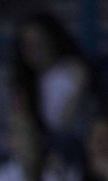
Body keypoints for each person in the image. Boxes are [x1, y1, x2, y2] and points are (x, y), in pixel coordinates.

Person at [12, 10, 94, 141]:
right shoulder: (26, 83)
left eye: (38, 43)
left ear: (51, 39)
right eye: (27, 45)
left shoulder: (74, 71)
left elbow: (64, 124)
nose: (32, 51)